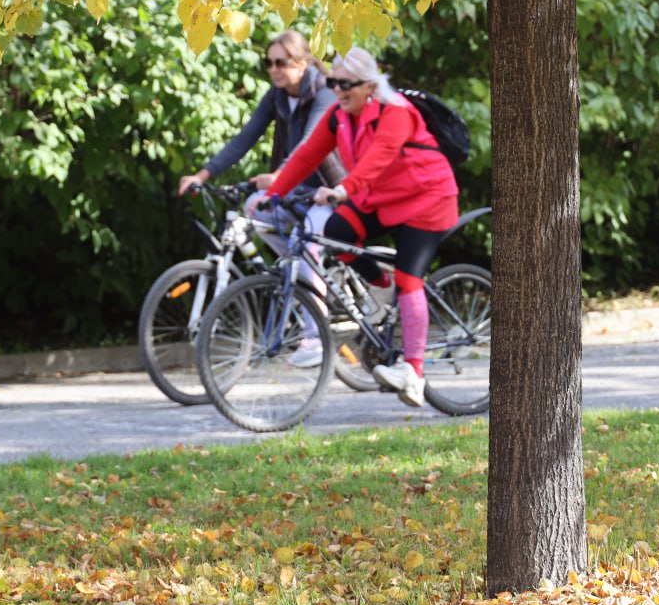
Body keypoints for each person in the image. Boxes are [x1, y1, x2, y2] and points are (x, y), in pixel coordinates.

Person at [263, 47, 459, 406]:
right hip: (381, 199)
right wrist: (273, 193)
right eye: (333, 82)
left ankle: (412, 372)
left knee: (410, 278)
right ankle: (383, 291)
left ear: (369, 85)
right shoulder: (340, 116)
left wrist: (341, 190)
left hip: (425, 198)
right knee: (336, 233)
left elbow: (377, 159)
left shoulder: (396, 111)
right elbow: (308, 154)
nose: (336, 90)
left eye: (344, 84)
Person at [177, 30, 346, 367]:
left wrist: (281, 177)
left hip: (330, 191)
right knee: (257, 213)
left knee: (306, 244)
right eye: (268, 62)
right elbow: (244, 139)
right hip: (295, 190)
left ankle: (315, 338)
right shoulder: (278, 96)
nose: (273, 69)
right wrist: (202, 175)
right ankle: (305, 284)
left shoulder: (325, 93)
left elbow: (309, 145)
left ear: (302, 62)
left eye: (280, 62)